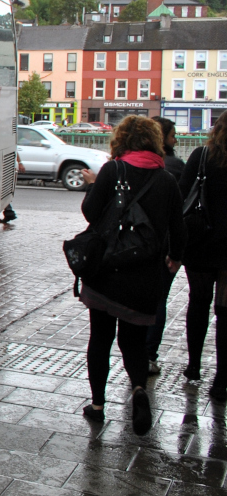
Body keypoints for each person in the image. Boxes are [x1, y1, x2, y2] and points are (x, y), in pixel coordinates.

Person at [79, 115, 186, 433]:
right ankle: (139, 390)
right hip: (144, 275)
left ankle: (97, 406)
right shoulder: (166, 179)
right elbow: (178, 230)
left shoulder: (113, 170)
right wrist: (175, 259)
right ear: (155, 142)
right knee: (134, 342)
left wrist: (95, 185)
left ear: (121, 140)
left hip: (106, 271)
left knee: (100, 337)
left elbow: (90, 212)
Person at [177, 114, 227, 402]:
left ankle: (194, 366)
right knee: (226, 314)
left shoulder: (202, 155)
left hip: (201, 241)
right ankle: (221, 379)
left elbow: (182, 194)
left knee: (198, 303)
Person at [144, 116, 185, 373]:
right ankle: (149, 354)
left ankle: (135, 352)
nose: (176, 140)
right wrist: (177, 253)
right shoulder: (177, 167)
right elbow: (179, 218)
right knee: (159, 300)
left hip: (136, 244)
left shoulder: (123, 165)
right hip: (164, 246)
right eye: (172, 136)